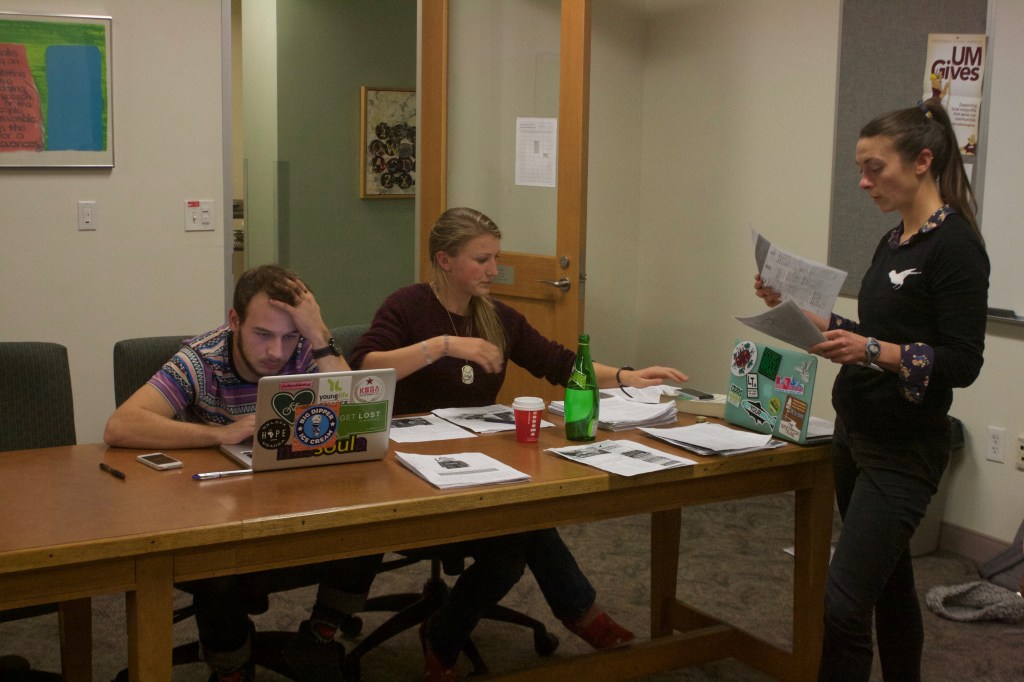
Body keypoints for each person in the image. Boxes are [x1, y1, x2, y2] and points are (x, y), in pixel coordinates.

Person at [350, 206, 688, 680]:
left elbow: (557, 362)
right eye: (482, 260)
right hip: (404, 469)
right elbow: (366, 367)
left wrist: (629, 377)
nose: (494, 270)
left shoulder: (497, 316)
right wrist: (444, 345)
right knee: (519, 536)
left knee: (517, 535)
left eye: (496, 258)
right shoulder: (407, 306)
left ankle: (449, 634)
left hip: (474, 462)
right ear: (445, 261)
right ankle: (574, 613)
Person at [754, 97, 988, 681]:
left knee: (844, 601)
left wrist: (872, 351)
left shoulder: (956, 246)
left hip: (904, 448)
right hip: (855, 435)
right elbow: (877, 337)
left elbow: (963, 362)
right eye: (860, 169)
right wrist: (812, 320)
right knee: (888, 584)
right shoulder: (894, 241)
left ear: (922, 162)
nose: (863, 181)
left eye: (874, 168)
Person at [104, 264, 379, 682]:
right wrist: (220, 433)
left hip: (293, 501)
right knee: (216, 566)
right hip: (219, 510)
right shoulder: (203, 359)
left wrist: (319, 335)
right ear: (234, 321)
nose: (277, 351)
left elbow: (359, 419)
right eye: (263, 334)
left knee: (373, 520)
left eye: (290, 336)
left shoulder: (307, 351)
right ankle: (231, 667)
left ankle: (320, 635)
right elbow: (121, 425)